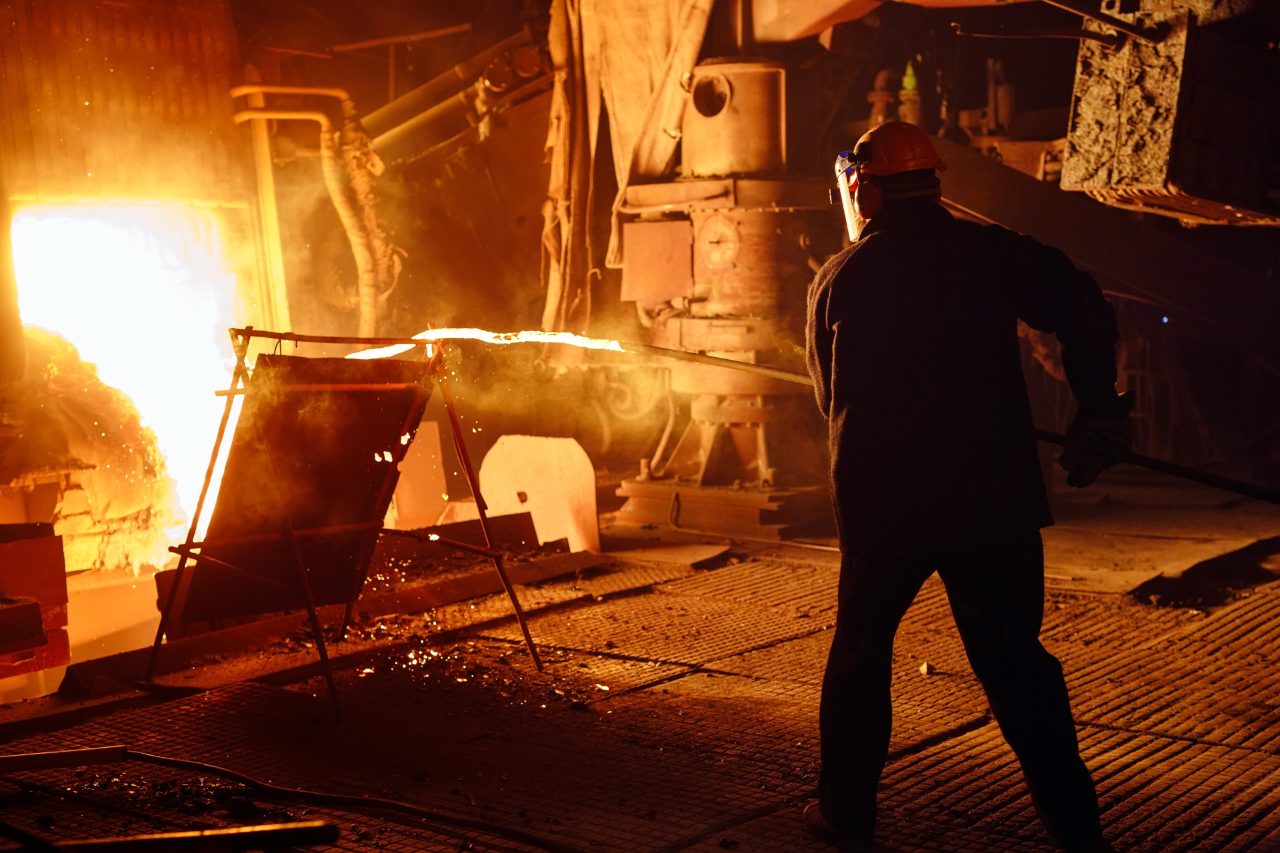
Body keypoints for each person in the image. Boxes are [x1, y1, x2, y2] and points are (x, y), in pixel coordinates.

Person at [803, 120, 1129, 852]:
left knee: (862, 653)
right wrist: (1098, 405)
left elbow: (828, 400)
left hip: (887, 505)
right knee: (1016, 661)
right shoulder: (987, 254)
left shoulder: (841, 278)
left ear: (867, 190)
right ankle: (1077, 828)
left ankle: (845, 814)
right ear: (934, 183)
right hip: (991, 498)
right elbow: (1081, 301)